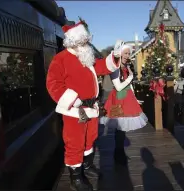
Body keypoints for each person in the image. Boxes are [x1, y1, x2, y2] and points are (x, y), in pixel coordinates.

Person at [46, 19, 123, 191]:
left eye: (86, 39)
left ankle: (86, 168)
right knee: (75, 142)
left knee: (90, 139)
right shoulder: (61, 59)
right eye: (84, 39)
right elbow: (53, 84)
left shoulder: (86, 55)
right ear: (73, 40)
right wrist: (73, 100)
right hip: (76, 110)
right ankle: (75, 178)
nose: (87, 41)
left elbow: (102, 67)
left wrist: (115, 56)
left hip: (92, 108)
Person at [100, 43, 148, 165]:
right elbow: (118, 86)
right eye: (125, 53)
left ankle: (119, 153)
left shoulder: (125, 67)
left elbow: (129, 85)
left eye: (128, 53)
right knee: (120, 128)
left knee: (123, 129)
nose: (128, 55)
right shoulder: (115, 68)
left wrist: (134, 98)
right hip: (118, 99)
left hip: (126, 99)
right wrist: (130, 78)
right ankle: (118, 153)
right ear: (119, 54)